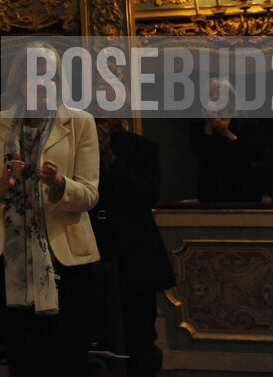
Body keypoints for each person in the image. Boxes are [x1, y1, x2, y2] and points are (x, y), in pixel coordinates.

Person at [0, 43, 100, 377]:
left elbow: (89, 195)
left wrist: (58, 183)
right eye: (32, 74)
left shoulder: (80, 122)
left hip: (66, 257)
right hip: (8, 257)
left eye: (48, 74)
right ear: (18, 82)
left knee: (67, 357)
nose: (40, 82)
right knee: (22, 356)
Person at [90, 118, 176, 377]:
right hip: (93, 253)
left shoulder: (143, 147)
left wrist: (109, 157)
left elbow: (147, 194)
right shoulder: (77, 149)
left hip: (135, 256)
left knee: (138, 337)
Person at [190, 79, 266, 202]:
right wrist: (208, 127)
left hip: (243, 191)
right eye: (211, 94)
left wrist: (227, 134)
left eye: (219, 93)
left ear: (231, 100)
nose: (214, 96)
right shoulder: (199, 126)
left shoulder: (245, 123)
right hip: (212, 193)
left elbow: (252, 155)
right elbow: (202, 156)